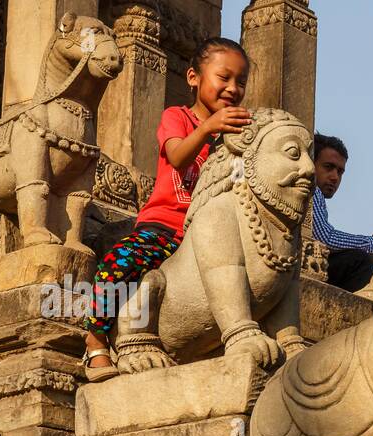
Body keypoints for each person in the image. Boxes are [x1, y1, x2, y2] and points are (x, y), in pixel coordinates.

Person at [81, 37, 252, 381]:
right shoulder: (178, 118)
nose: (233, 88)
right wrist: (207, 128)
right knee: (119, 263)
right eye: (224, 78)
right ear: (193, 78)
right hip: (164, 229)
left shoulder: (234, 140)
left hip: (207, 237)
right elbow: (177, 156)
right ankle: (95, 339)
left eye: (241, 82)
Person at [310, 134, 373, 292]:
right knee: (360, 262)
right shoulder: (311, 188)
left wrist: (368, 251)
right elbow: (324, 238)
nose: (335, 177)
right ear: (311, 164)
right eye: (328, 167)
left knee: (363, 263)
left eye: (340, 172)